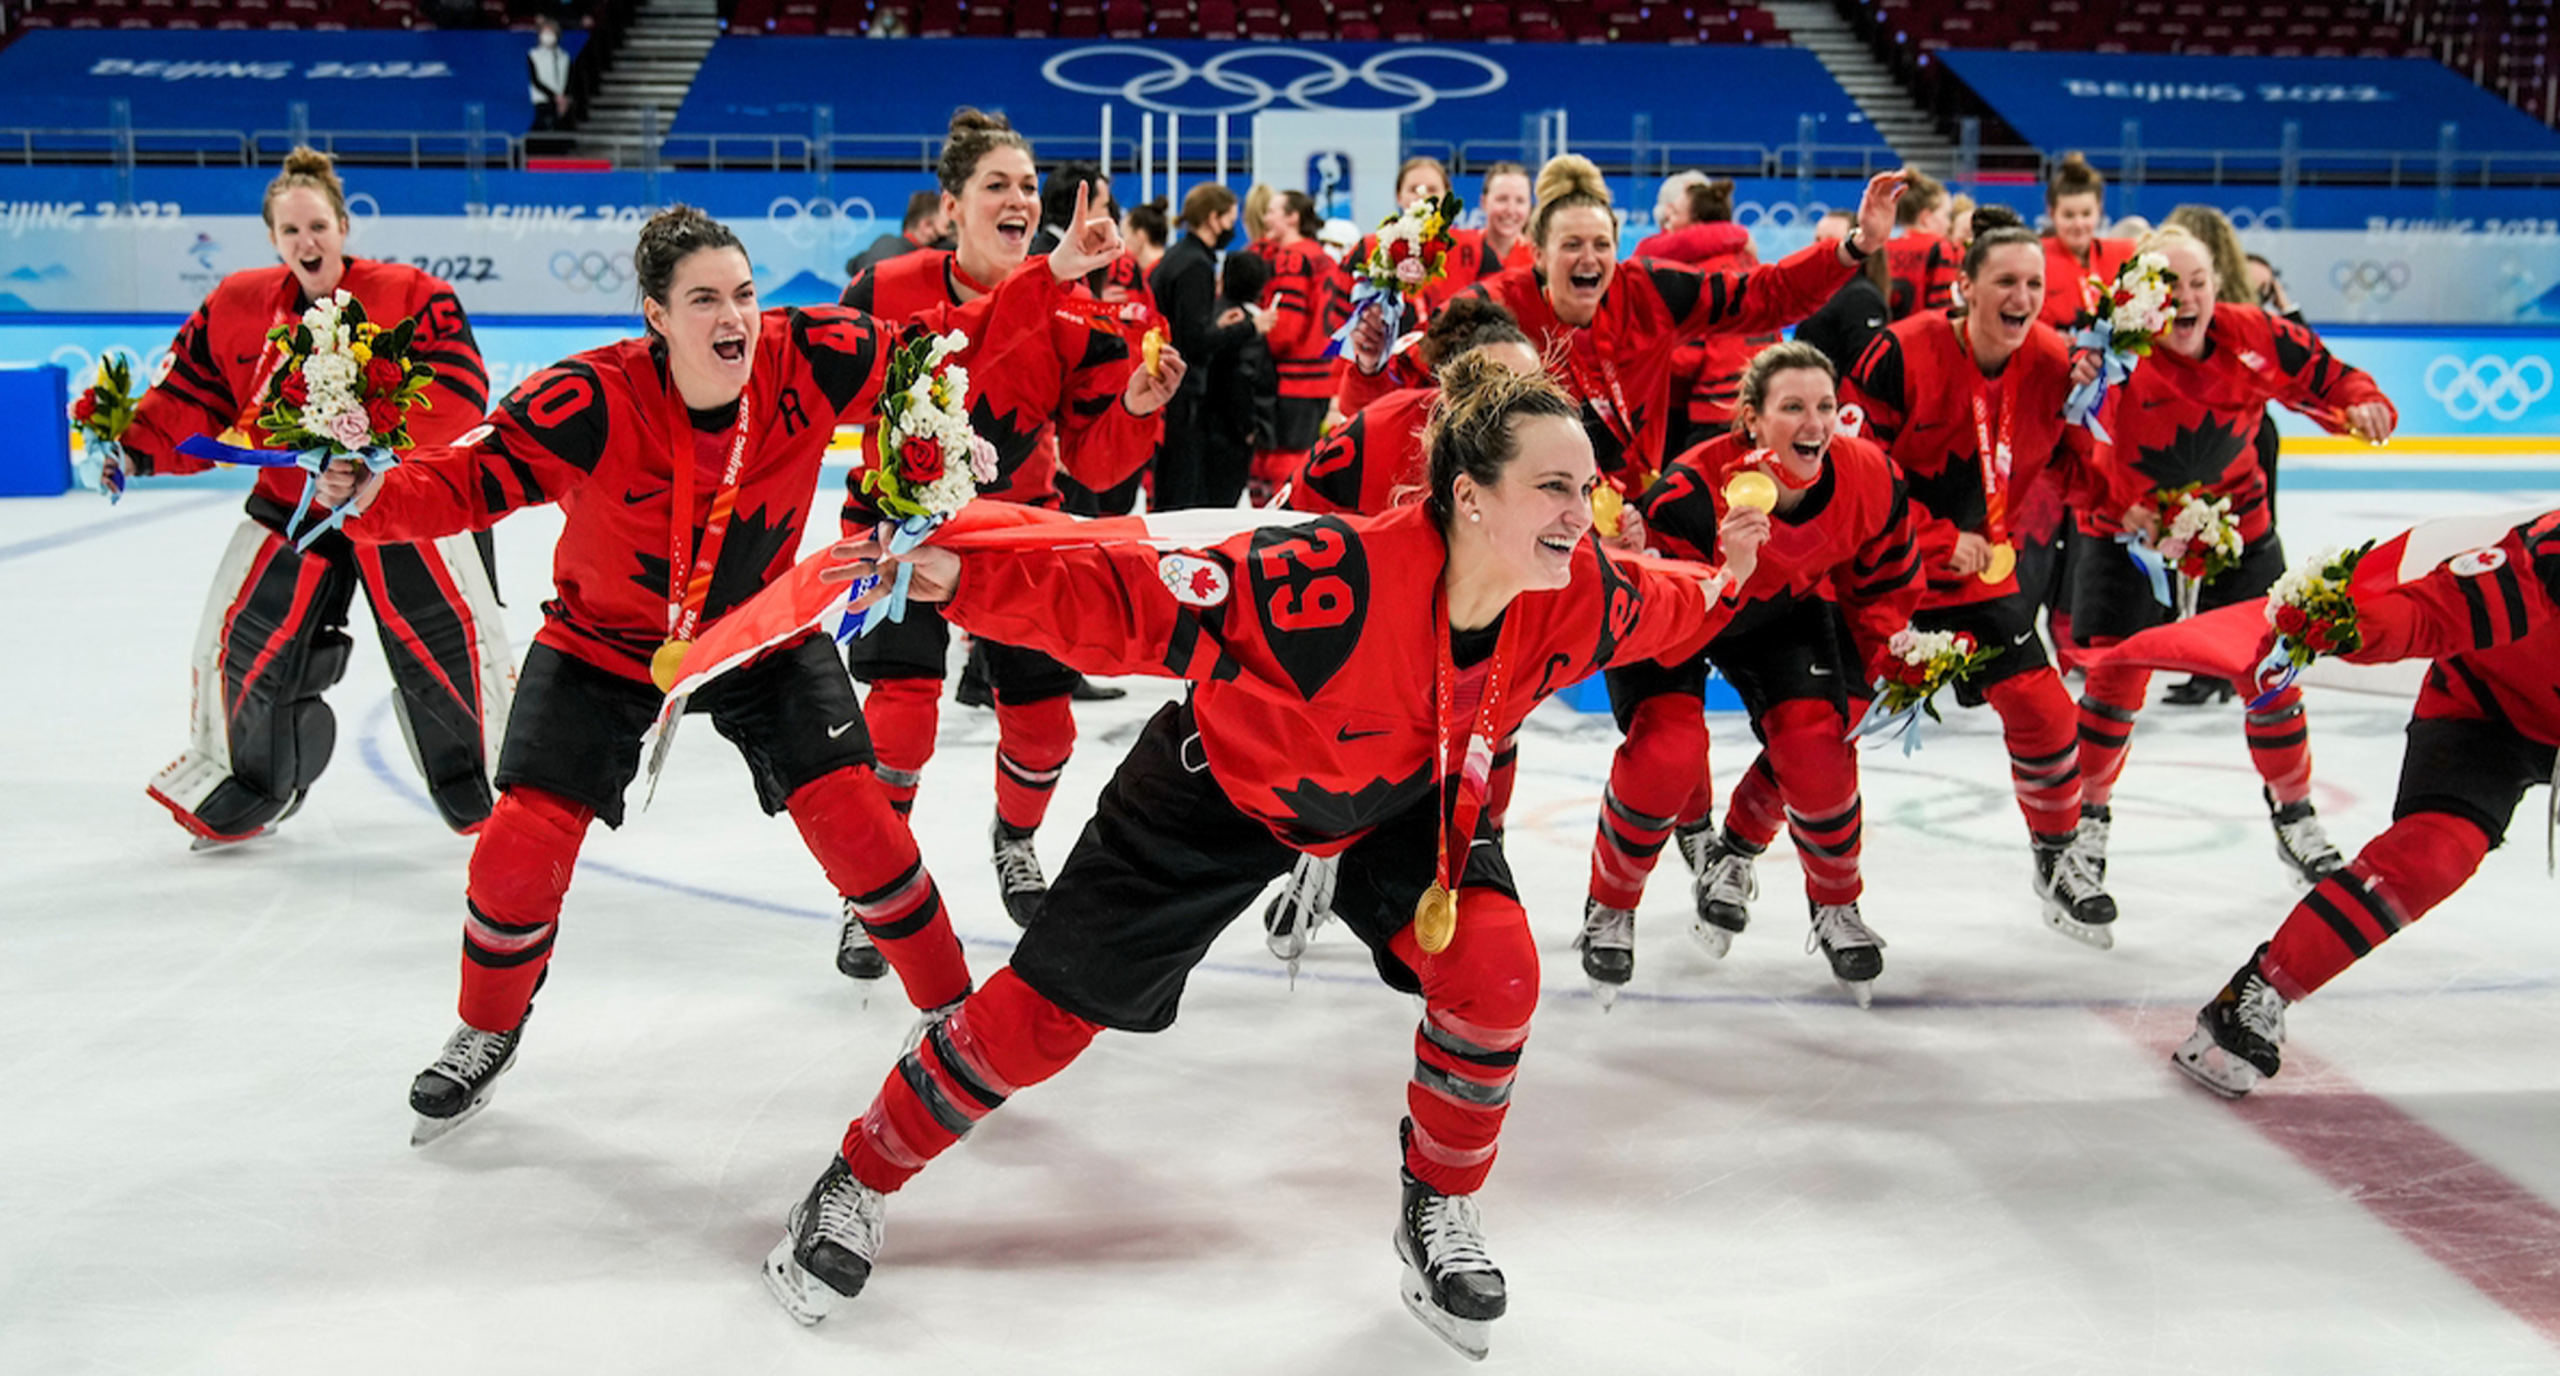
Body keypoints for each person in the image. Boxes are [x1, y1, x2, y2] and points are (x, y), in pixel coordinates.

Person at [761, 353, 1772, 1360]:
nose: (1581, 513)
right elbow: (1127, 597)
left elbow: (1674, 599)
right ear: (1469, 495)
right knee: (1042, 1020)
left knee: (1496, 972)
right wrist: (962, 575)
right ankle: (858, 1175)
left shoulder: (1584, 592)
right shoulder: (1327, 580)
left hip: (1398, 801)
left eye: (1585, 487)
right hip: (1220, 788)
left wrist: (1727, 576)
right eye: (1554, 486)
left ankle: (1439, 1207)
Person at [308, 204, 1123, 1143]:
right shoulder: (587, 397)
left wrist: (1050, 274)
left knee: (862, 825)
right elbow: (466, 479)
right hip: (604, 646)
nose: (733, 317)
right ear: (656, 316)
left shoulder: (809, 353)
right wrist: (370, 496)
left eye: (743, 293)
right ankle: (485, 1029)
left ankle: (953, 1013)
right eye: (703, 300)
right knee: (518, 847)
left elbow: (947, 347)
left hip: (758, 633)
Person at [840, 108, 1181, 949]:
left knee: (1046, 726)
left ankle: (1016, 837)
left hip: (1017, 532)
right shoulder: (885, 289)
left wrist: (1135, 408)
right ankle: (873, 887)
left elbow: (1094, 463)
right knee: (900, 717)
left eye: (1029, 185)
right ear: (951, 206)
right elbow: (855, 391)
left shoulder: (1078, 314)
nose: (1020, 200)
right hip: (902, 527)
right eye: (997, 184)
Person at [103, 147, 506, 848]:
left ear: (343, 226)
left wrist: (372, 455)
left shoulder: (414, 294)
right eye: (290, 231)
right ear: (273, 239)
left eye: (317, 226)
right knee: (244, 639)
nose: (306, 241)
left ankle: (496, 780)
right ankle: (247, 778)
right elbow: (192, 393)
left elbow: (460, 391)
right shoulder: (237, 304)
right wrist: (133, 448)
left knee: (450, 646)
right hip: (296, 506)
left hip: (401, 499)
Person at [2174, 509, 2560, 1097]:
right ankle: (2260, 989)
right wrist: (2354, 626)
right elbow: (2435, 610)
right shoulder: (2549, 555)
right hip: (2487, 712)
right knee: (2432, 856)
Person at [1578, 342, 1919, 1006]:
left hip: (1781, 612)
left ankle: (1828, 901)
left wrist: (1890, 660)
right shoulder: (1688, 494)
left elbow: (1883, 585)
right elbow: (1660, 628)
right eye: (1792, 408)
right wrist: (1729, 571)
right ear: (1751, 420)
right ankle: (1610, 906)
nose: (1814, 424)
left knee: (1819, 745)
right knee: (1668, 752)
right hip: (1682, 616)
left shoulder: (1870, 476)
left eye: (1825, 406)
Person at [2066, 224, 2397, 890]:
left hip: (2240, 533)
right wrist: (2118, 510)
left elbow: (2327, 374)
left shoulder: (2254, 334)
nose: (2187, 298)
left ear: (2218, 286)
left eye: (2199, 283)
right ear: (2140, 296)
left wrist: (2362, 402)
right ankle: (2084, 826)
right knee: (2111, 681)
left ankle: (2295, 816)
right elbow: (2066, 452)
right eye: (2170, 286)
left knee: (2273, 673)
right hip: (2129, 539)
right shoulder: (2107, 356)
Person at [1841, 221, 2118, 946]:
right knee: (1821, 733)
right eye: (2005, 282)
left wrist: (2125, 478)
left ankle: (2057, 858)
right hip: (1883, 576)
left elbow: (2080, 470)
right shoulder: (1898, 353)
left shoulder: (2056, 363)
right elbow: (1849, 472)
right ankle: (1740, 852)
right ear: (1965, 287)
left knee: (2045, 710)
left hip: (1979, 582)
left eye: (2034, 284)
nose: (2022, 297)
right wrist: (1934, 539)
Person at [1442, 155, 1902, 500]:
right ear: (1539, 255)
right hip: (1535, 511)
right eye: (1572, 245)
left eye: (1601, 244)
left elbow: (1764, 295)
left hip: (1636, 506)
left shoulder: (1648, 291)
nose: (1588, 258)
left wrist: (1857, 246)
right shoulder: (1500, 303)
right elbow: (1427, 352)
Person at [2157, 203, 2279, 707]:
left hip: (2217, 427)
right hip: (2249, 426)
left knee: (2214, 540)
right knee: (2233, 538)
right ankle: (2231, 658)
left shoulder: (2205, 306)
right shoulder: (2245, 290)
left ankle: (2218, 661)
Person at [1633, 174, 1770, 455]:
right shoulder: (1753, 263)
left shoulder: (1701, 276)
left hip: (1713, 411)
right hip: (1757, 405)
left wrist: (1643, 357)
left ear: (1694, 227)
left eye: (1675, 215)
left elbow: (1688, 358)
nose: (1668, 224)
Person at [1152, 182, 1269, 508]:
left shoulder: (1177, 256)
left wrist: (1217, 327)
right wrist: (1250, 327)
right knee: (1182, 497)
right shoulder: (1196, 265)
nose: (1233, 227)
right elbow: (1194, 341)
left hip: (1169, 389)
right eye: (1230, 218)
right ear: (1213, 218)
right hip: (1184, 395)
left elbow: (1184, 327)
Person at [1248, 189, 1335, 499]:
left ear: (1292, 217)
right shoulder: (1323, 257)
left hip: (1292, 380)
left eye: (1273, 211)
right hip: (1320, 378)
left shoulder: (1292, 258)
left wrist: (1253, 340)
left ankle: (1277, 526)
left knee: (1280, 464)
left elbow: (1284, 330)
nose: (1266, 218)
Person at [1790, 208, 1892, 379]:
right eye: (1817, 240)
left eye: (1830, 241)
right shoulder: (1817, 292)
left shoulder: (1861, 298)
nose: (1820, 248)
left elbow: (1869, 370)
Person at [1421, 160, 1534, 310]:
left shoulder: (1538, 260)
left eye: (1520, 201)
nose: (1510, 209)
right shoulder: (1453, 247)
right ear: (1484, 202)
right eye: (1502, 199)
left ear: (1530, 207)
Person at [2040, 152, 2133, 328]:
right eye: (2068, 215)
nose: (2078, 224)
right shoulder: (2036, 260)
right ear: (2052, 214)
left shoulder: (2123, 256)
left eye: (2086, 214)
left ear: (2099, 210)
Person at [1882, 166, 1959, 321]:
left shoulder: (1883, 247)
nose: (1949, 224)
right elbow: (1942, 308)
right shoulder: (1941, 247)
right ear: (1926, 217)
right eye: (1946, 215)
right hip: (1922, 331)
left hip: (1887, 330)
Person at [847, 191, 948, 277]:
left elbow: (851, 266)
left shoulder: (883, 243)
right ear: (926, 225)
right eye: (947, 226)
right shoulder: (922, 258)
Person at [527, 17, 572, 150]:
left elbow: (567, 78)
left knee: (561, 135)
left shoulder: (564, 56)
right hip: (543, 99)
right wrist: (554, 96)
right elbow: (536, 80)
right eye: (545, 33)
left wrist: (564, 97)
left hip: (561, 101)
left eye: (551, 33)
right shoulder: (534, 55)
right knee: (543, 130)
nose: (548, 36)